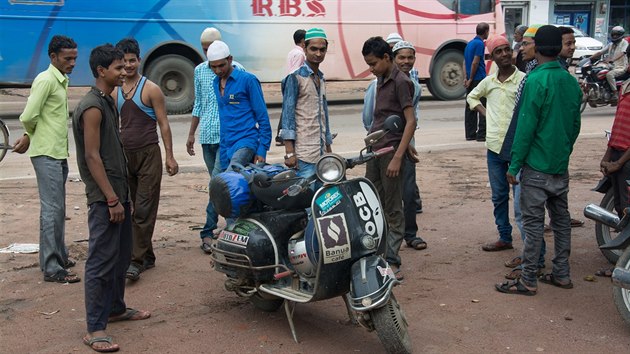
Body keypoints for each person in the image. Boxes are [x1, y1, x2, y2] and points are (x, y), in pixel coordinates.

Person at [73, 44, 151, 353]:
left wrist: (121, 198)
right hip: (106, 198)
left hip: (119, 194)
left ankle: (116, 308)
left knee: (120, 255)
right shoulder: (92, 106)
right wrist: (110, 200)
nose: (124, 72)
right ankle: (95, 328)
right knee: (101, 261)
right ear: (101, 71)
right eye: (118, 68)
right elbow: (92, 157)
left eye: (125, 67)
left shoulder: (108, 101)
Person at [495, 25, 582, 296]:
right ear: (558, 48)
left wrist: (514, 164)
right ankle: (562, 274)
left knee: (533, 226)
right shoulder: (569, 81)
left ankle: (528, 279)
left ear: (537, 49)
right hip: (559, 165)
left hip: (535, 166)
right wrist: (563, 151)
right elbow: (574, 125)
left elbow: (525, 127)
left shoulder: (534, 80)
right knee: (560, 222)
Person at [12, 35, 80, 284]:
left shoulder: (60, 80)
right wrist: (30, 135)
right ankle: (52, 267)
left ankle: (57, 256)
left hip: (57, 151)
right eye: (67, 58)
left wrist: (31, 134)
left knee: (57, 208)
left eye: (74, 58)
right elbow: (29, 114)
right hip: (46, 152)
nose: (72, 63)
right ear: (53, 58)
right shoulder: (46, 80)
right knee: (52, 209)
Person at [114, 38, 179, 281]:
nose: (128, 65)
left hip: (149, 155)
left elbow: (164, 124)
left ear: (139, 60)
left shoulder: (151, 89)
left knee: (143, 209)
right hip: (124, 158)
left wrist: (169, 157)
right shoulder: (115, 90)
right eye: (124, 61)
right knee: (132, 209)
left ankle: (135, 261)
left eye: (132, 60)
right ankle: (147, 256)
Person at [361, 36, 416, 280]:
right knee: (372, 204)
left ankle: (392, 260)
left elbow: (410, 121)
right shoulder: (381, 80)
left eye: (373, 64)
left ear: (386, 57)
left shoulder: (401, 81)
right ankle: (378, 254)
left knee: (393, 207)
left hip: (390, 153)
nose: (371, 69)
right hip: (375, 150)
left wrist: (398, 156)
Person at [186, 28, 245, 253]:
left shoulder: (238, 71)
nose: (208, 53)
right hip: (207, 137)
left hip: (227, 138)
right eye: (204, 49)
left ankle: (208, 231)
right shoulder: (200, 71)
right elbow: (199, 103)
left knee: (216, 185)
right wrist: (192, 134)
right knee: (218, 185)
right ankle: (230, 227)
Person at [467, 36, 525, 253]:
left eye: (507, 50)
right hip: (494, 149)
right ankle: (504, 236)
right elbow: (472, 97)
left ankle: (528, 248)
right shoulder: (488, 82)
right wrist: (485, 113)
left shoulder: (524, 80)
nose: (504, 54)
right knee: (499, 196)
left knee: (521, 202)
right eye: (498, 51)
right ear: (491, 57)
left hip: (518, 149)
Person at [207, 40, 272, 171]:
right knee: (218, 185)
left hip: (245, 142)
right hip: (225, 144)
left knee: (229, 180)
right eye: (213, 67)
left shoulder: (248, 80)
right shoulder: (215, 83)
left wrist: (262, 149)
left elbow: (262, 116)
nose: (218, 70)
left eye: (221, 65)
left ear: (230, 59)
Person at [280, 28, 332, 177]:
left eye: (322, 50)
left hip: (321, 153)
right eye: (313, 49)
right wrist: (290, 153)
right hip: (303, 154)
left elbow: (324, 116)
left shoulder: (321, 78)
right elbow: (287, 116)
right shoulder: (295, 78)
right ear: (304, 47)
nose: (318, 54)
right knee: (306, 196)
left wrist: (329, 151)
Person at [596, 80, 630, 277]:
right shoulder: (624, 86)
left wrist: (619, 162)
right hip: (619, 155)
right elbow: (617, 125)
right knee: (622, 210)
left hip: (625, 159)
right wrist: (609, 155)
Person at [275, 29, 306, 147]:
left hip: (287, 80)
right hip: (293, 82)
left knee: (287, 108)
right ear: (303, 41)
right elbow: (296, 70)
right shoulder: (300, 54)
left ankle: (280, 136)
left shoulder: (292, 52)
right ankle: (283, 136)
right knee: (291, 109)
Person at [463, 22, 490, 141]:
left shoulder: (469, 44)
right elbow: (475, 62)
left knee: (470, 106)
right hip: (478, 78)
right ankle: (481, 134)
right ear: (485, 32)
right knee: (482, 105)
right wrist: (471, 79)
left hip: (470, 79)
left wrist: (466, 78)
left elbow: (464, 62)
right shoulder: (480, 44)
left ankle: (470, 134)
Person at [589, 26, 628, 103]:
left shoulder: (624, 43)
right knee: (598, 72)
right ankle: (601, 91)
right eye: (613, 35)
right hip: (611, 66)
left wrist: (612, 59)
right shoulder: (610, 44)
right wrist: (589, 58)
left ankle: (615, 93)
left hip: (621, 67)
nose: (614, 36)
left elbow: (622, 53)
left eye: (616, 35)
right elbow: (601, 52)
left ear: (620, 35)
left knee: (609, 75)